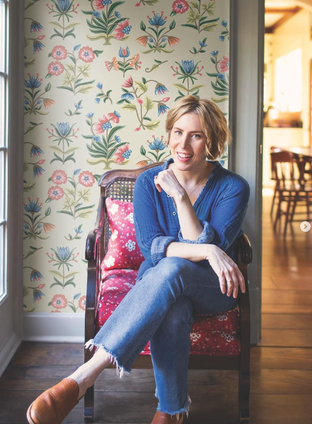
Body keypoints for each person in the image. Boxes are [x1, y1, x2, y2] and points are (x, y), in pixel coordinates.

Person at [26, 95, 250, 424]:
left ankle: (84, 375)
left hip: (212, 287)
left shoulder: (233, 187)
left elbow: (188, 250)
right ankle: (172, 411)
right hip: (161, 283)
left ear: (212, 140)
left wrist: (179, 197)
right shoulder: (147, 182)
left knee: (174, 266)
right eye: (177, 132)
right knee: (173, 305)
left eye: (196, 135)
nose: (183, 144)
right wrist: (207, 249)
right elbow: (152, 247)